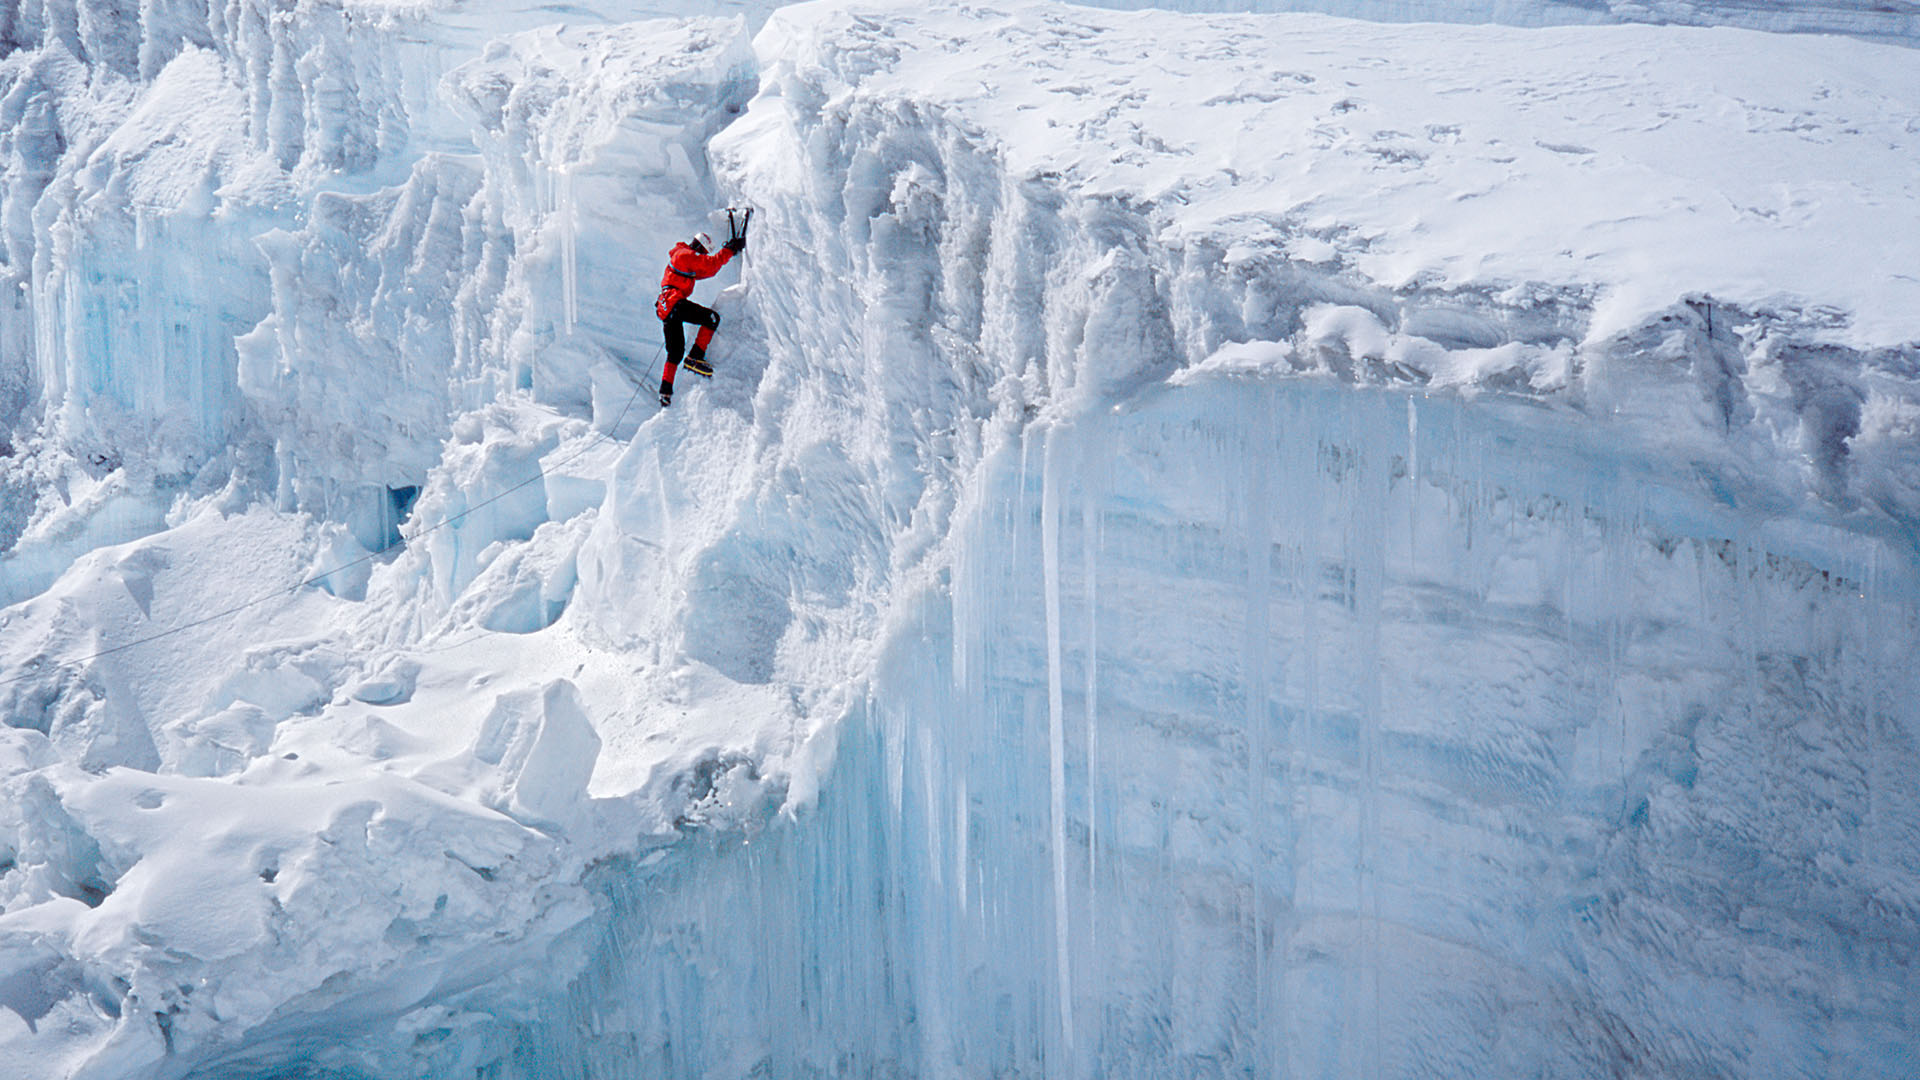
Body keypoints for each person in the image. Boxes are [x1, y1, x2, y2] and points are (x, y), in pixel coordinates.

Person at [654, 229, 744, 406]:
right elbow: (708, 264)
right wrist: (729, 250)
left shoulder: (682, 256)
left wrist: (725, 253)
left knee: (675, 352)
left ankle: (665, 392)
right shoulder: (685, 255)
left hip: (667, 307)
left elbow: (707, 270)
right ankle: (695, 356)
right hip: (674, 302)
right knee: (711, 319)